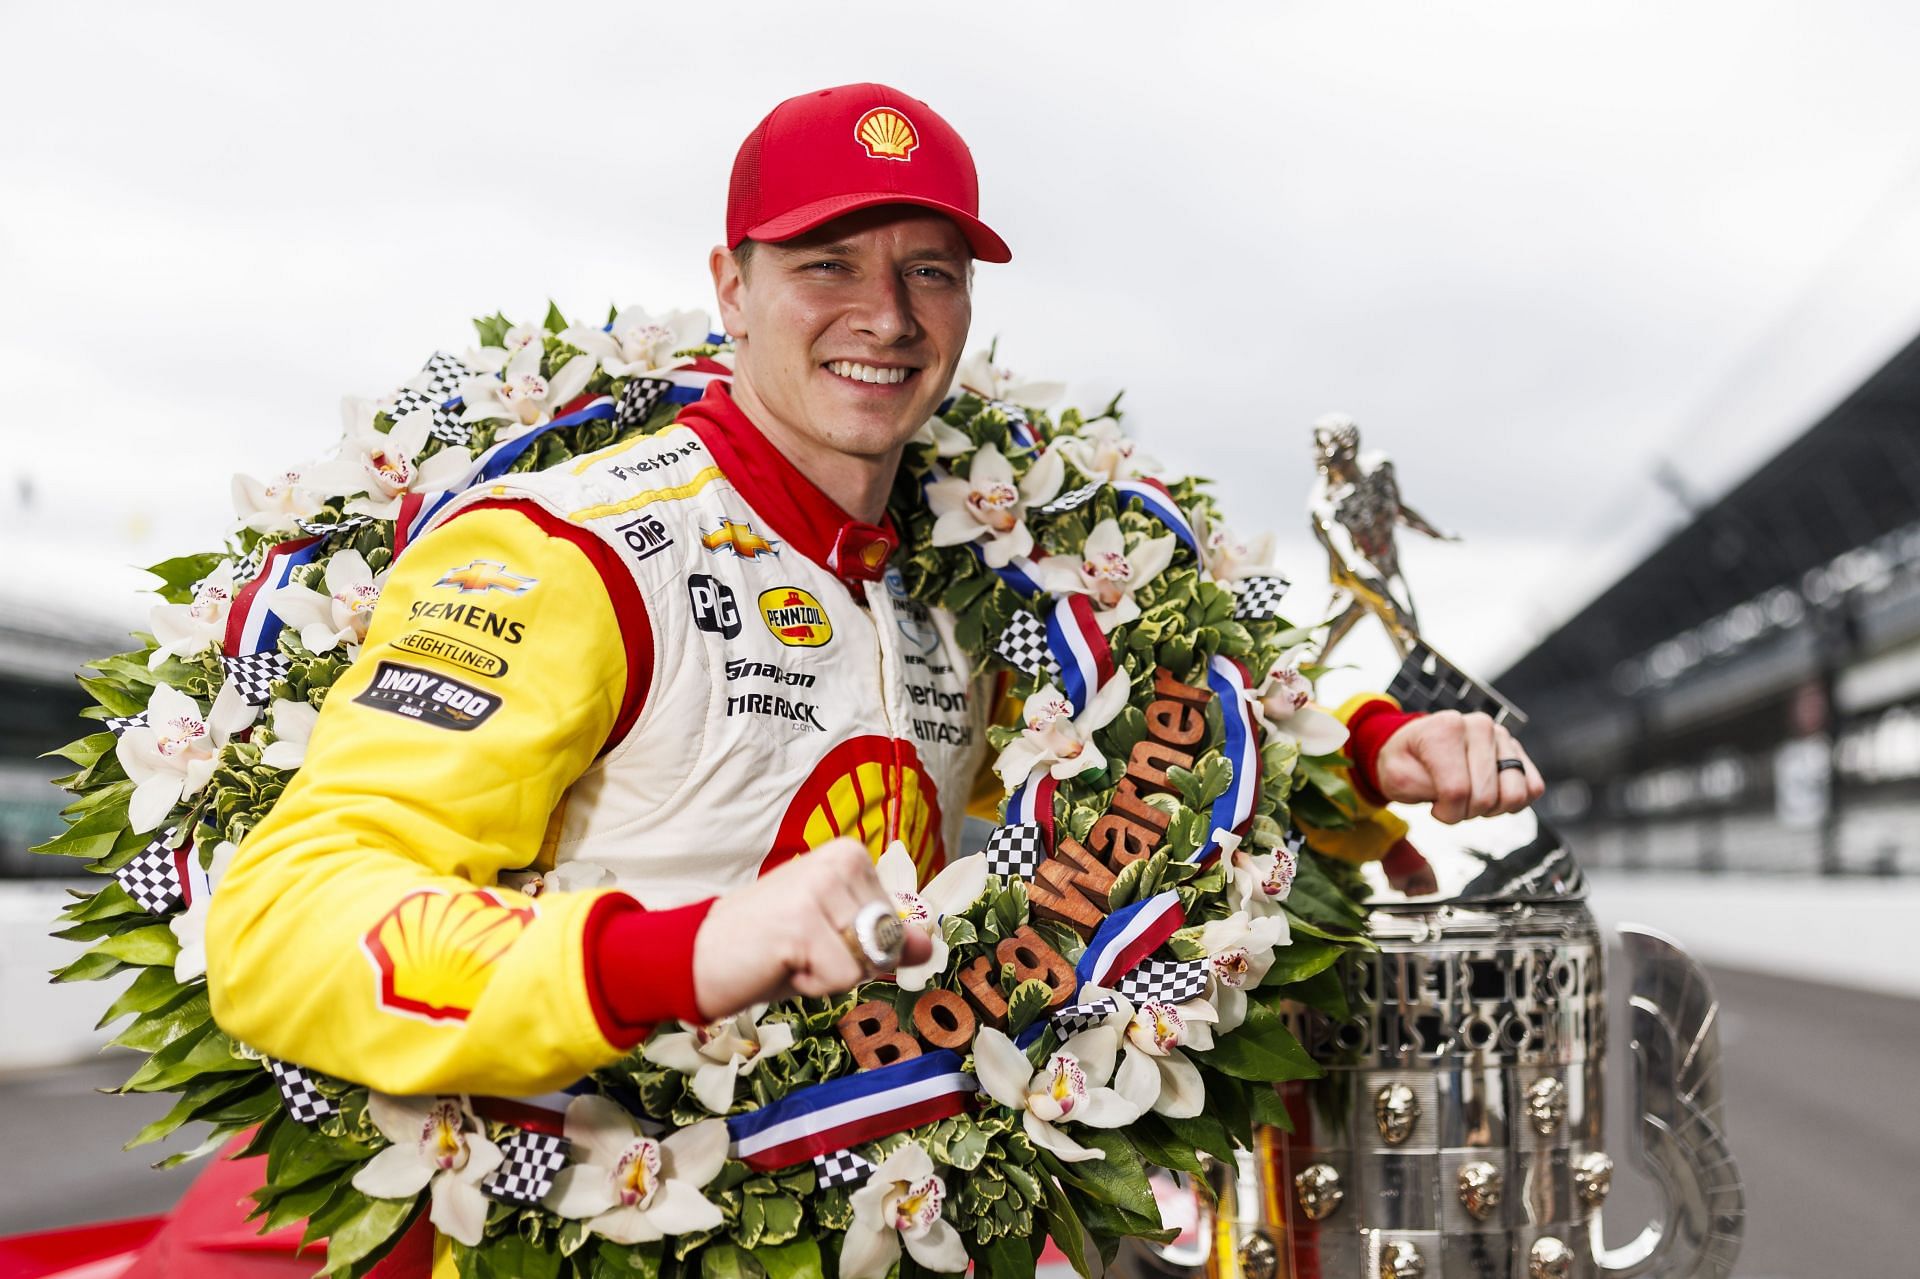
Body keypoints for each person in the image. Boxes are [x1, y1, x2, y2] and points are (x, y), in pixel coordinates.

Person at [195, 81, 1542, 1274]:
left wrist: (1375, 749)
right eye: (826, 263)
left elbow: (1170, 754)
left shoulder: (980, 579)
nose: (886, 319)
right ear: (731, 284)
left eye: (933, 272)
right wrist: (680, 951)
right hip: (603, 1226)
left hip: (884, 1214)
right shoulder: (565, 551)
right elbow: (290, 915)